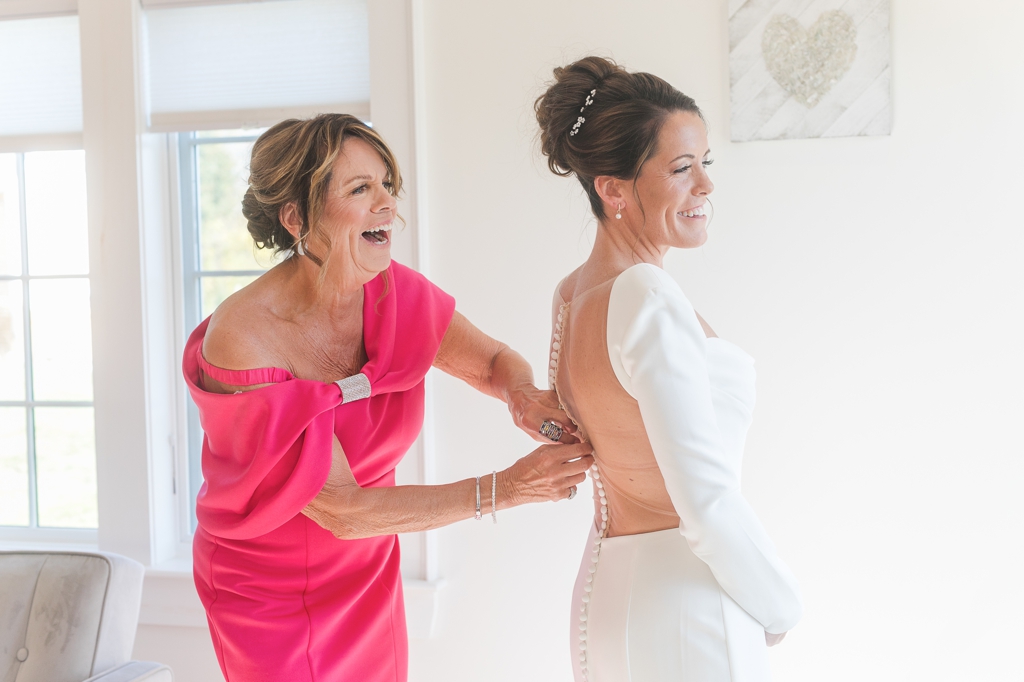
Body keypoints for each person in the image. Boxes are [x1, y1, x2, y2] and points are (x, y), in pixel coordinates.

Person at [181, 114, 593, 682]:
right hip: (267, 590)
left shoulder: (392, 292)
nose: (387, 205)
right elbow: (341, 510)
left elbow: (492, 361)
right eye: (360, 189)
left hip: (366, 574)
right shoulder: (244, 339)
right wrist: (509, 488)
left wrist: (522, 396)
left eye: (386, 184)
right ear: (297, 218)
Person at [534, 57, 803, 681]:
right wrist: (779, 607)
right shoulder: (644, 294)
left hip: (607, 591)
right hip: (688, 603)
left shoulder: (572, 296)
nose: (705, 186)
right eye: (681, 169)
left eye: (705, 163)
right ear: (613, 190)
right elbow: (703, 501)